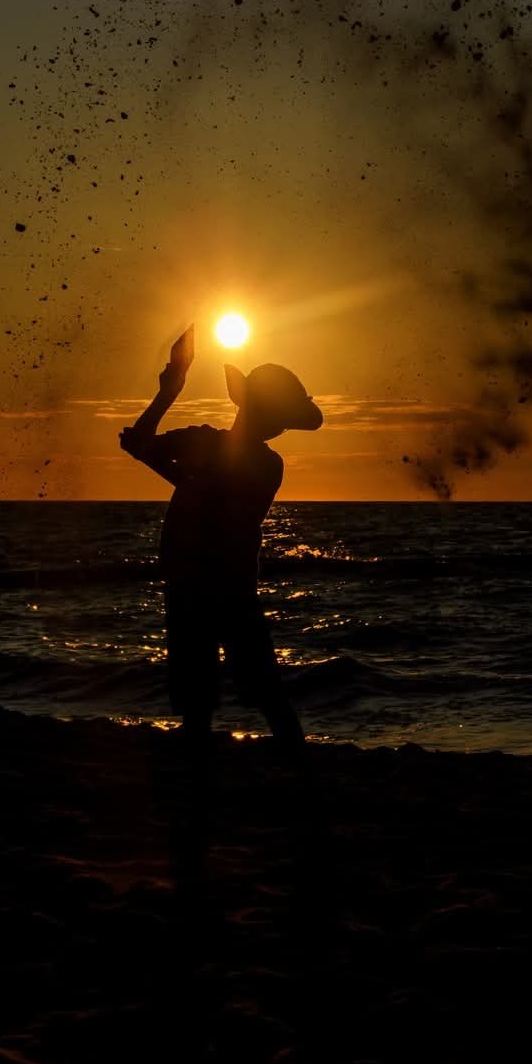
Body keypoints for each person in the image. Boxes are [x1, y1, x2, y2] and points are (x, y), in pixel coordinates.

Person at [119, 325, 322, 758]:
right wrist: (169, 393)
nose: (280, 429)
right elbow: (148, 450)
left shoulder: (240, 456)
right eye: (279, 418)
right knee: (252, 696)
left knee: (222, 700)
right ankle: (298, 785)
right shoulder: (252, 458)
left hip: (209, 586)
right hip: (222, 588)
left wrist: (169, 393)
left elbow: (149, 450)